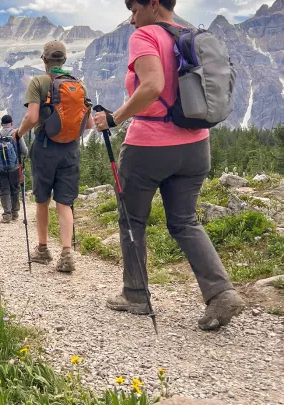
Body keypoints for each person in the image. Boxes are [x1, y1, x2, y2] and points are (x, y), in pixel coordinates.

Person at [94, 0, 245, 331]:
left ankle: (135, 294)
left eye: (134, 9)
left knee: (133, 219)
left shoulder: (147, 35)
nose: (132, 19)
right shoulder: (189, 35)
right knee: (184, 222)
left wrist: (114, 118)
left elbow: (152, 86)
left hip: (150, 147)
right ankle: (221, 293)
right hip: (196, 146)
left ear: (151, 4)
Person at [12, 40, 94, 273]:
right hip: (71, 149)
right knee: (65, 202)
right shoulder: (79, 85)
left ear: (44, 60)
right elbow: (88, 124)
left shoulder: (39, 82)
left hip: (45, 147)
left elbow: (31, 117)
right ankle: (67, 252)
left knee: (42, 200)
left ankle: (43, 249)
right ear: (64, 60)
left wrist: (18, 134)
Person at [0, 115, 28, 223]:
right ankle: (15, 213)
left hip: (1, 168)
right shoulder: (16, 134)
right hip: (14, 167)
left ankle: (7, 215)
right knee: (15, 189)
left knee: (4, 190)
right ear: (11, 123)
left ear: (1, 124)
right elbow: (25, 151)